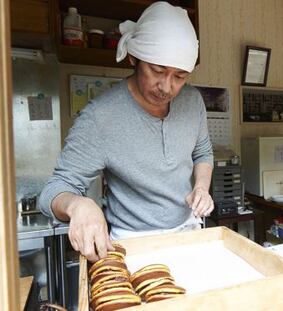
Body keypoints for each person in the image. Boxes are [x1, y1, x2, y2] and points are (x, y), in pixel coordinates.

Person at [39, 2, 214, 262]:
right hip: (132, 244)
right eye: (157, 70)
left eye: (180, 76)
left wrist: (201, 187)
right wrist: (78, 205)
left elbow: (202, 151)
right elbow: (53, 191)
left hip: (189, 233)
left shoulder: (192, 101)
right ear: (134, 58)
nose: (166, 87)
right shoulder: (101, 117)